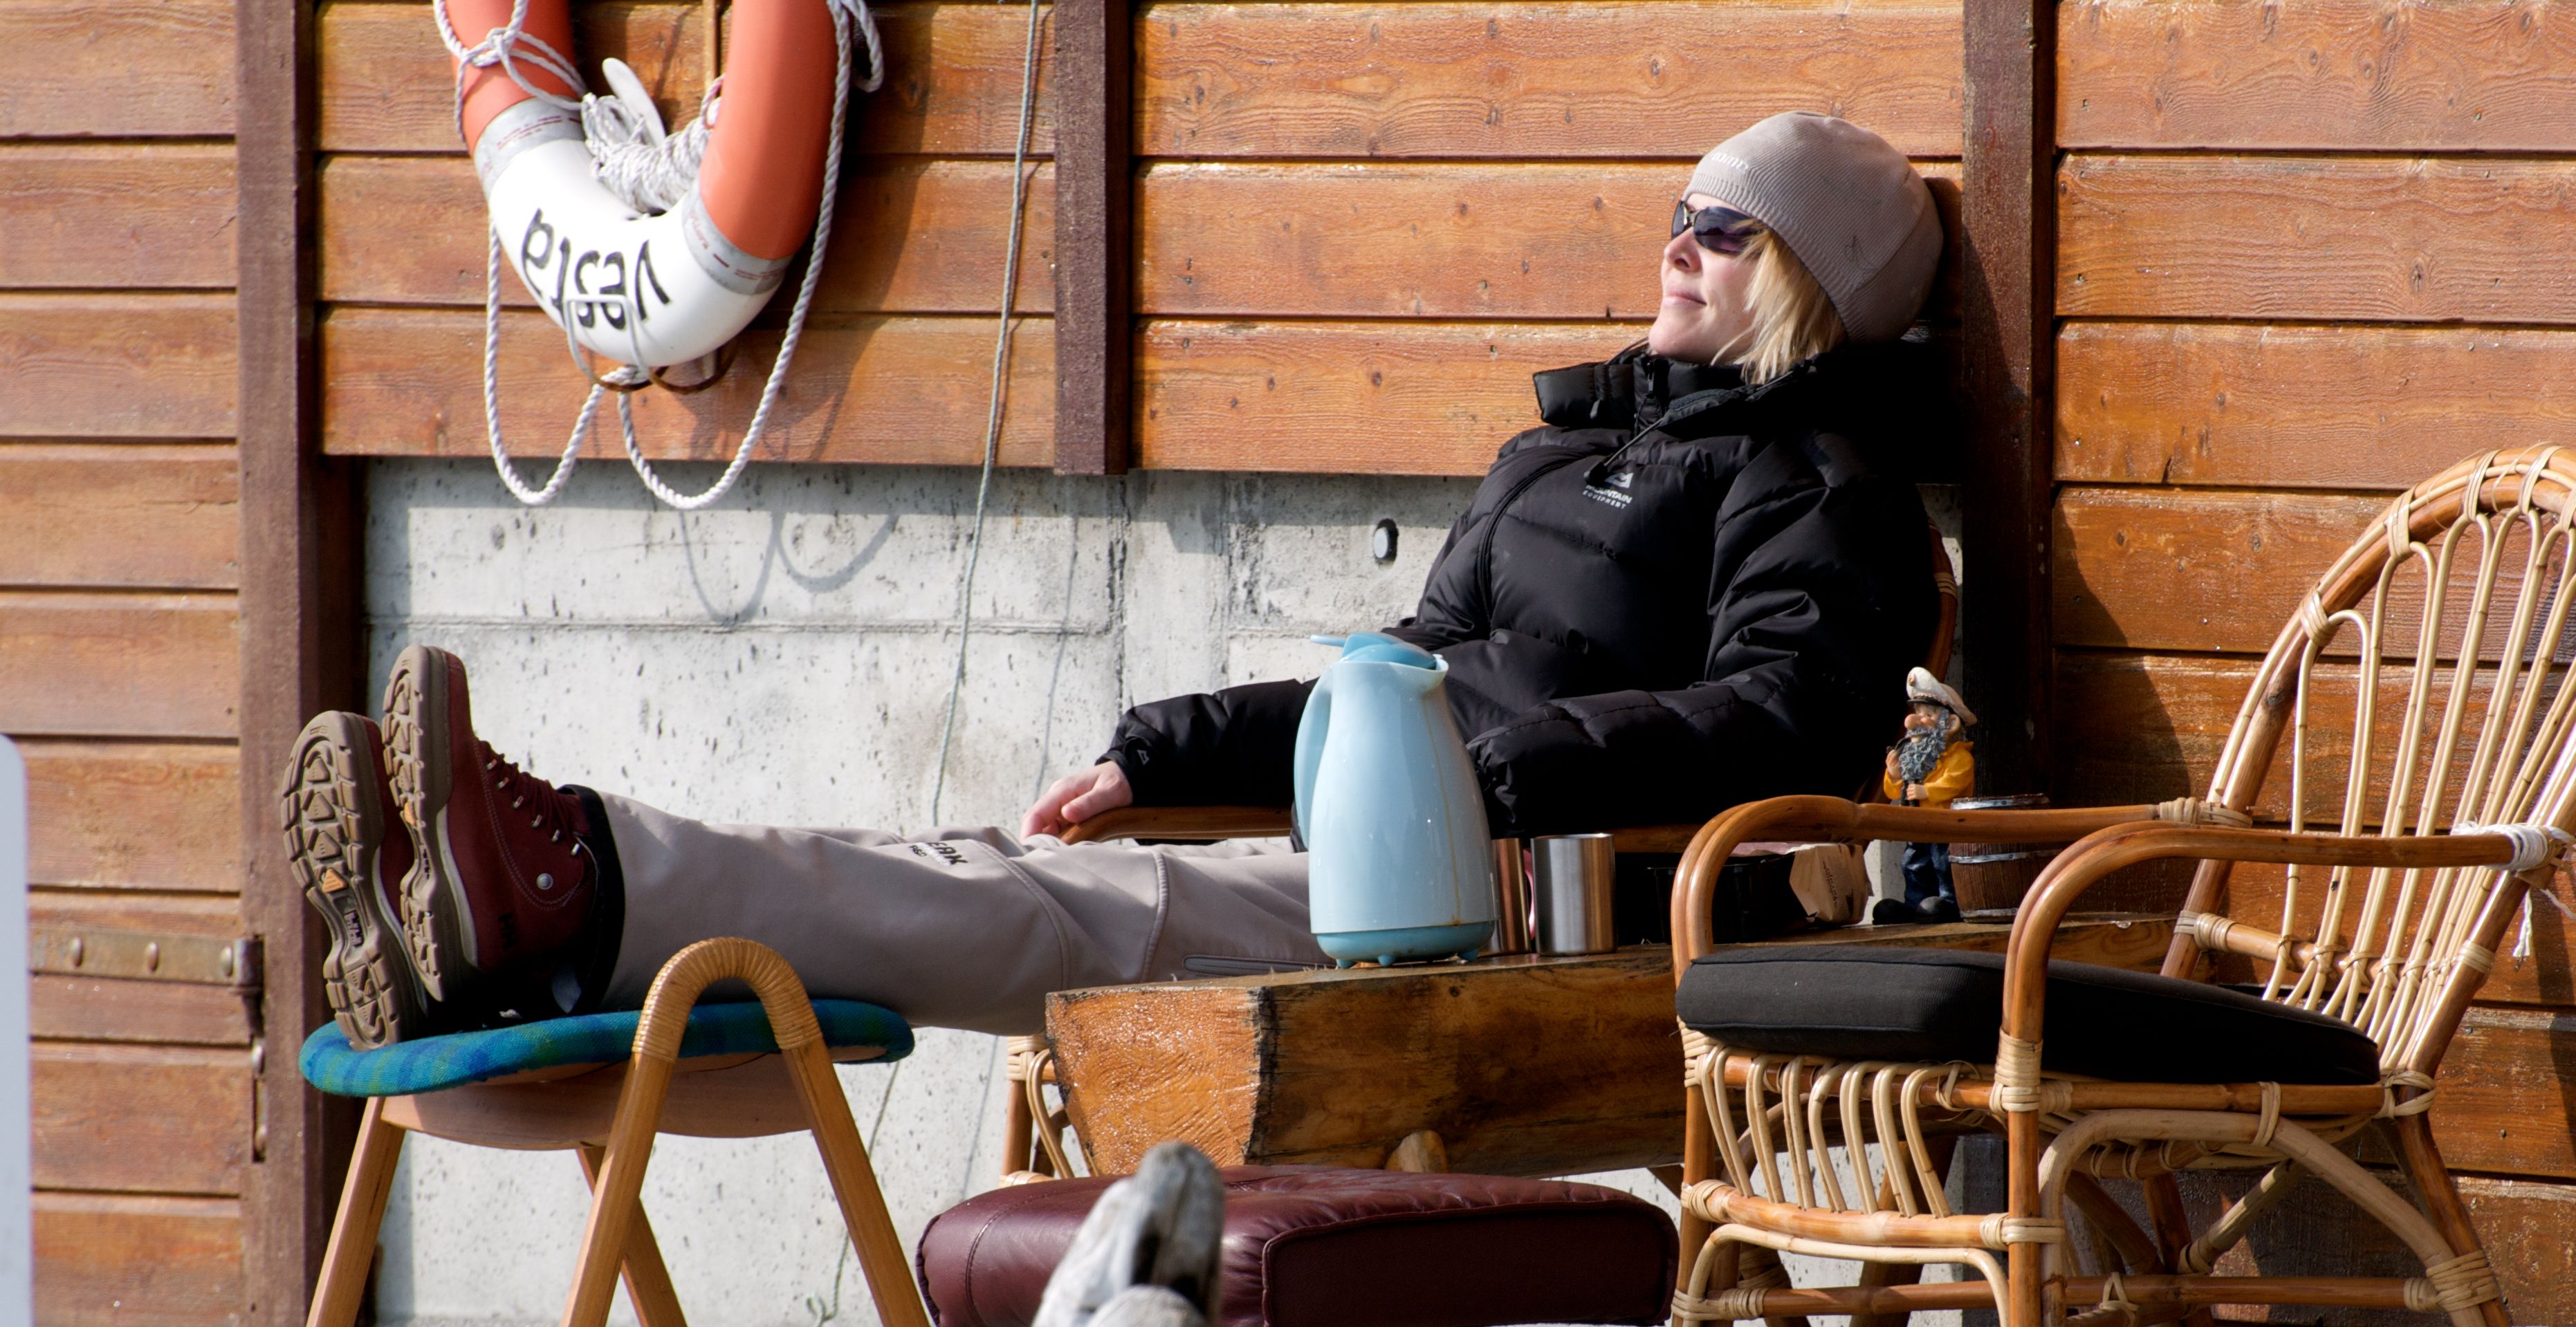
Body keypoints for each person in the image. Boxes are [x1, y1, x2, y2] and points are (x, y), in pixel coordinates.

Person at [284, 111, 1950, 1049]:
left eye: (1727, 229)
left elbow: (1788, 713)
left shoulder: (1826, 487)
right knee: (972, 856)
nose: (1677, 241)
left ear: (1814, 284)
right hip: (1415, 862)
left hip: (1555, 923)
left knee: (1059, 912)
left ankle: (574, 881)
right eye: (1677, 204)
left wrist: (1499, 775)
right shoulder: (1556, 457)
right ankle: (532, 909)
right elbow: (1406, 674)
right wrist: (1169, 744)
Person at [1872, 667, 1977, 925]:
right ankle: (1915, 903)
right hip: (1917, 827)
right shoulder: (1915, 759)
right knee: (1914, 864)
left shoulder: (1959, 758)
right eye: (1918, 714)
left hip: (1945, 829)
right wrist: (1895, 774)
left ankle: (1949, 901)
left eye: (1928, 715)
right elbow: (1894, 792)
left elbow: (1954, 783)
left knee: (1943, 864)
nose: (1914, 722)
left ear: (1949, 724)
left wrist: (1926, 791)